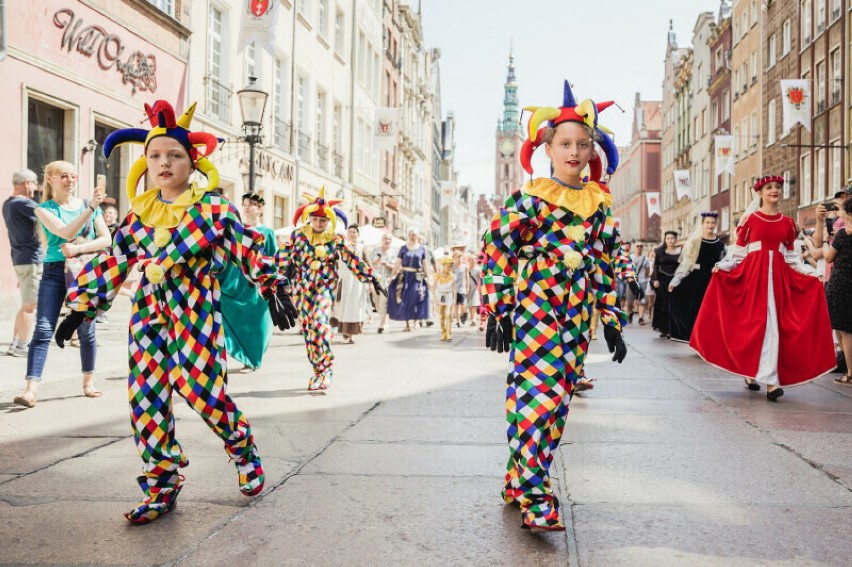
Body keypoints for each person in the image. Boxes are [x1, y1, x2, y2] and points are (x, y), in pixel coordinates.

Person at [57, 100, 298, 523]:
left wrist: (273, 284)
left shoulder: (214, 210)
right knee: (146, 400)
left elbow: (246, 247)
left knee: (203, 393)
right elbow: (115, 258)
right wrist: (81, 307)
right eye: (155, 156)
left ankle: (242, 447)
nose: (164, 163)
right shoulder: (139, 216)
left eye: (174, 155)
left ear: (192, 161)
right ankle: (161, 484)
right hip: (148, 317)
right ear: (145, 162)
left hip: (195, 315)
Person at [482, 81, 627, 531]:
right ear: (547, 147)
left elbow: (604, 259)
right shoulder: (530, 199)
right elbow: (496, 247)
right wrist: (499, 307)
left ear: (592, 150)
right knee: (536, 401)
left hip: (577, 319)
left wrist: (611, 317)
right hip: (537, 311)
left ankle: (517, 478)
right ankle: (536, 498)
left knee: (556, 406)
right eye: (565, 143)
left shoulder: (598, 203)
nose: (575, 152)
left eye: (583, 144)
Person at [690, 175, 835, 401]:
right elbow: (738, 253)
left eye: (778, 187)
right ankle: (754, 374)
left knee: (774, 328)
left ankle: (770, 382)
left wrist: (810, 272)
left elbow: (791, 257)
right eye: (769, 187)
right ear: (760, 192)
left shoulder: (787, 224)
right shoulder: (751, 220)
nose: (774, 190)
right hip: (753, 280)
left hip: (778, 283)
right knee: (756, 327)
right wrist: (723, 266)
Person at [11, 161, 110, 408]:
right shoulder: (43, 209)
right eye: (63, 176)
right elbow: (65, 232)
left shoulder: (89, 206)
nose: (70, 180)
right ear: (51, 180)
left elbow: (106, 239)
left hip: (85, 271)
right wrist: (90, 209)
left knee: (86, 329)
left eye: (73, 175)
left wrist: (79, 248)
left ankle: (88, 382)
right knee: (43, 328)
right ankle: (30, 390)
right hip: (55, 272)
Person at [282, 188, 385, 391]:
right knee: (309, 333)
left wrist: (371, 277)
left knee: (320, 325)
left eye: (323, 220)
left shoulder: (335, 239)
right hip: (302, 291)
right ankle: (317, 371)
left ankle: (326, 369)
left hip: (324, 289)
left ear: (329, 220)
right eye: (316, 219)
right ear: (309, 217)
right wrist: (275, 283)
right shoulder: (298, 236)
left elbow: (352, 260)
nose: (319, 223)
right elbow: (284, 260)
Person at [216, 192, 278, 372]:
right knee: (232, 317)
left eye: (251, 204)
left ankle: (252, 358)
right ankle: (241, 355)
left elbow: (271, 259)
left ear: (260, 209)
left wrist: (268, 284)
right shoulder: (237, 230)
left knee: (256, 321)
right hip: (235, 281)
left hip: (255, 282)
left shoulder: (267, 232)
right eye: (244, 203)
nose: (246, 206)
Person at [667, 213, 726, 343]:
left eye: (713, 223)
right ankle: (691, 336)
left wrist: (719, 268)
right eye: (707, 223)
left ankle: (707, 339)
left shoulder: (720, 245)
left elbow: (723, 261)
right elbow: (686, 263)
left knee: (710, 311)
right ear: (702, 224)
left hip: (713, 281)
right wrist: (676, 280)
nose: (710, 225)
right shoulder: (694, 242)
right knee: (695, 309)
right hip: (696, 280)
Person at [3, 168, 43, 358]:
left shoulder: (8, 203)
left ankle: (15, 344)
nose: (37, 186)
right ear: (26, 183)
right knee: (30, 306)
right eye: (35, 182)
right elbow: (48, 214)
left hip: (20, 259)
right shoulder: (23, 203)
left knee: (25, 304)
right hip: (31, 261)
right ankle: (21, 347)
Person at [821, 199, 852, 385]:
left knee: (844, 329)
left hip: (840, 283)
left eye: (840, 210)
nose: (838, 213)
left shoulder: (842, 234)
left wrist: (826, 242)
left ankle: (850, 372)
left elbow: (828, 256)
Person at [387, 228, 431, 331]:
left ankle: (416, 321)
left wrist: (429, 277)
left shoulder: (422, 249)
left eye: (414, 235)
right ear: (408, 236)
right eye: (411, 234)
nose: (412, 236)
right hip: (405, 276)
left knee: (416, 297)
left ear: (417, 236)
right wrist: (392, 275)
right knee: (405, 299)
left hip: (417, 276)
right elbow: (398, 262)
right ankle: (407, 324)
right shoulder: (403, 248)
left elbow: (425, 264)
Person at [335, 224, 370, 343]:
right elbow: (335, 262)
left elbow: (367, 264)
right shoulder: (341, 247)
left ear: (358, 234)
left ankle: (351, 334)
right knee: (343, 305)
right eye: (350, 232)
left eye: (354, 232)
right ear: (347, 234)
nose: (352, 234)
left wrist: (370, 281)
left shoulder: (362, 247)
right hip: (344, 279)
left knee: (355, 307)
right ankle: (344, 331)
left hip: (357, 281)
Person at [651, 231, 679, 338]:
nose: (670, 240)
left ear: (675, 239)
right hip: (662, 281)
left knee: (673, 305)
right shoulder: (659, 251)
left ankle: (672, 329)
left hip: (674, 281)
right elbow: (655, 267)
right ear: (665, 239)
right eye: (668, 238)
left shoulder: (680, 252)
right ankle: (663, 328)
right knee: (662, 304)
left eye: (672, 238)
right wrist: (655, 279)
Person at [367, 233, 396, 333]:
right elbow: (369, 265)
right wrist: (375, 262)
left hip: (387, 280)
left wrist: (387, 264)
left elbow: (396, 267)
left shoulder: (393, 252)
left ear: (391, 241)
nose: (387, 241)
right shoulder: (375, 251)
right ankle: (385, 320)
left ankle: (382, 324)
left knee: (383, 302)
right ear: (382, 240)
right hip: (376, 280)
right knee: (377, 302)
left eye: (389, 239)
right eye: (385, 239)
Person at [434, 255, 456, 341]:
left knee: (448, 314)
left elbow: (454, 288)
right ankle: (443, 332)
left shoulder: (452, 276)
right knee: (441, 316)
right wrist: (435, 298)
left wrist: (454, 299)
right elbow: (433, 287)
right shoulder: (437, 276)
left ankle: (448, 333)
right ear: (443, 265)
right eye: (448, 266)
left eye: (451, 267)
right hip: (440, 295)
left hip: (449, 295)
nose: (449, 268)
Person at [630, 243, 651, 325]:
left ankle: (641, 318)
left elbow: (647, 270)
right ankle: (630, 313)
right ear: (634, 247)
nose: (639, 247)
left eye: (641, 246)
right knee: (630, 300)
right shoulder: (630, 257)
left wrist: (644, 277)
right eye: (637, 246)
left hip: (642, 281)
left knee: (642, 299)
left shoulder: (645, 259)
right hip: (631, 280)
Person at [467, 253, 483, 328]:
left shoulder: (478, 269)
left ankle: (474, 319)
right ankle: (472, 317)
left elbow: (481, 279)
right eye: (470, 259)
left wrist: (481, 288)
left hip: (476, 288)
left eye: (473, 259)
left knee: (474, 303)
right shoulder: (467, 269)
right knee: (469, 304)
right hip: (468, 288)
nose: (472, 261)